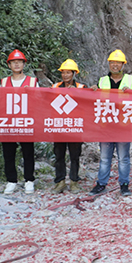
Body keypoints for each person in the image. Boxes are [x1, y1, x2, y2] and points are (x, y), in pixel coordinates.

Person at [91, 49, 132, 197]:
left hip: (123, 126)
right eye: (112, 62)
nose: (115, 65)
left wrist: (131, 92)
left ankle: (124, 184)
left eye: (118, 62)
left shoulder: (131, 80)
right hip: (106, 126)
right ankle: (101, 184)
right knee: (105, 158)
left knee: (123, 158)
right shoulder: (102, 81)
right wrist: (91, 91)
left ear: (123, 65)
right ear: (109, 64)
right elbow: (93, 100)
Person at [0, 49, 38, 194]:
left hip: (26, 121)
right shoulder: (3, 82)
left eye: (19, 62)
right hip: (8, 121)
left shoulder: (32, 81)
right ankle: (11, 180)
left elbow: (39, 100)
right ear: (9, 65)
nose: (16, 64)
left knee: (28, 151)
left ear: (23, 64)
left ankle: (29, 180)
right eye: (13, 62)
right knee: (8, 152)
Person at [51, 59, 85, 193]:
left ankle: (74, 181)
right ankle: (60, 182)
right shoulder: (55, 87)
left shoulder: (81, 88)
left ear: (74, 73)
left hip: (75, 126)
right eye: (63, 72)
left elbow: (86, 104)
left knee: (74, 156)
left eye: (68, 72)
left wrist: (77, 93)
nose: (65, 75)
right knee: (59, 155)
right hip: (59, 126)